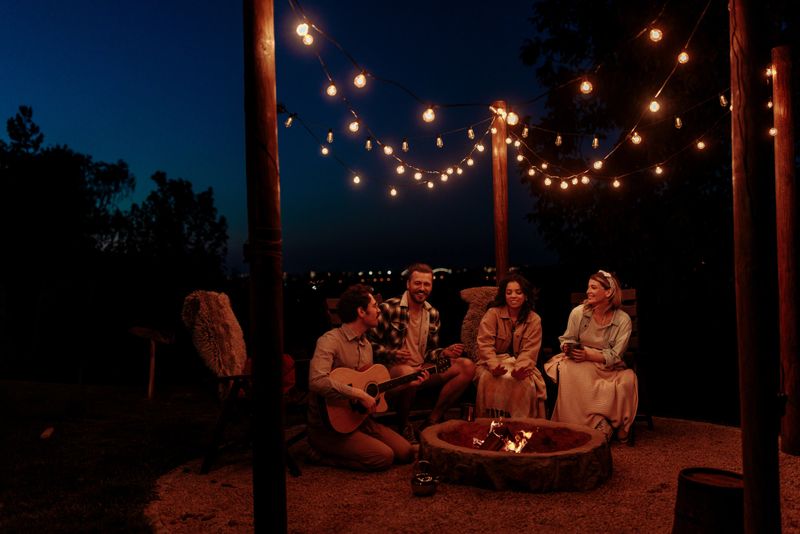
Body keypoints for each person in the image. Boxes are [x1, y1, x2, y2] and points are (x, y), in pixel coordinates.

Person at [307, 284, 416, 471]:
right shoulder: (330, 340)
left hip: (358, 419)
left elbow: (373, 392)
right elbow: (316, 381)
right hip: (328, 428)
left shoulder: (366, 346)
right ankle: (319, 454)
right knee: (383, 457)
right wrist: (357, 394)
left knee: (406, 452)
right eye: (374, 305)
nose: (378, 310)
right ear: (361, 311)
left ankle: (360, 441)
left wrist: (406, 384)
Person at [368, 263, 475, 443]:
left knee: (467, 366)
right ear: (408, 284)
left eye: (427, 284)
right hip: (393, 373)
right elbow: (368, 345)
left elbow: (429, 353)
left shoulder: (432, 313)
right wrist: (392, 353)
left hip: (421, 369)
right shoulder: (388, 309)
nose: (422, 288)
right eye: (418, 283)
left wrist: (444, 353)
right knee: (410, 374)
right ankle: (403, 425)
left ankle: (431, 421)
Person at [543, 270, 638, 442]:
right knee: (570, 369)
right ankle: (595, 424)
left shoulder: (623, 320)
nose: (588, 291)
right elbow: (567, 338)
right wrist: (567, 347)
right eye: (588, 287)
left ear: (608, 292)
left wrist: (590, 355)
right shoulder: (578, 313)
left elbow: (616, 355)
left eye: (593, 287)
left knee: (628, 379)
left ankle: (600, 422)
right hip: (579, 360)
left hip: (606, 365)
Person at [474, 273, 547, 418]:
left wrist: (520, 368)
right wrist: (494, 366)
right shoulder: (492, 313)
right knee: (488, 379)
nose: (513, 296)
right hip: (492, 364)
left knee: (526, 383)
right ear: (504, 295)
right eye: (509, 292)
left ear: (526, 296)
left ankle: (522, 425)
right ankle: (491, 421)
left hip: (522, 365)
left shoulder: (534, 319)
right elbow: (485, 344)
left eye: (518, 292)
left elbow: (530, 350)